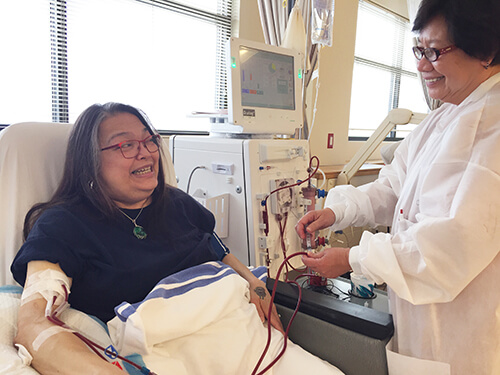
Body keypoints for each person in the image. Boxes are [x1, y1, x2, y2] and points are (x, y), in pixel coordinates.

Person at [296, 0, 500, 374]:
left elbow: (448, 248)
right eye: (418, 50)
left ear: (485, 51)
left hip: (462, 330)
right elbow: (395, 185)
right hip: (420, 318)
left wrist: (351, 259)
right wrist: (338, 210)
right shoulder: (448, 114)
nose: (421, 66)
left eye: (434, 52)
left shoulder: (492, 130)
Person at [11, 102, 284, 374]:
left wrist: (256, 286)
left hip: (250, 341)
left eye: (149, 140)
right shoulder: (64, 225)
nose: (145, 153)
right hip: (167, 358)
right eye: (126, 145)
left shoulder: (178, 203)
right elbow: (34, 323)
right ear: (89, 160)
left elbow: (220, 253)